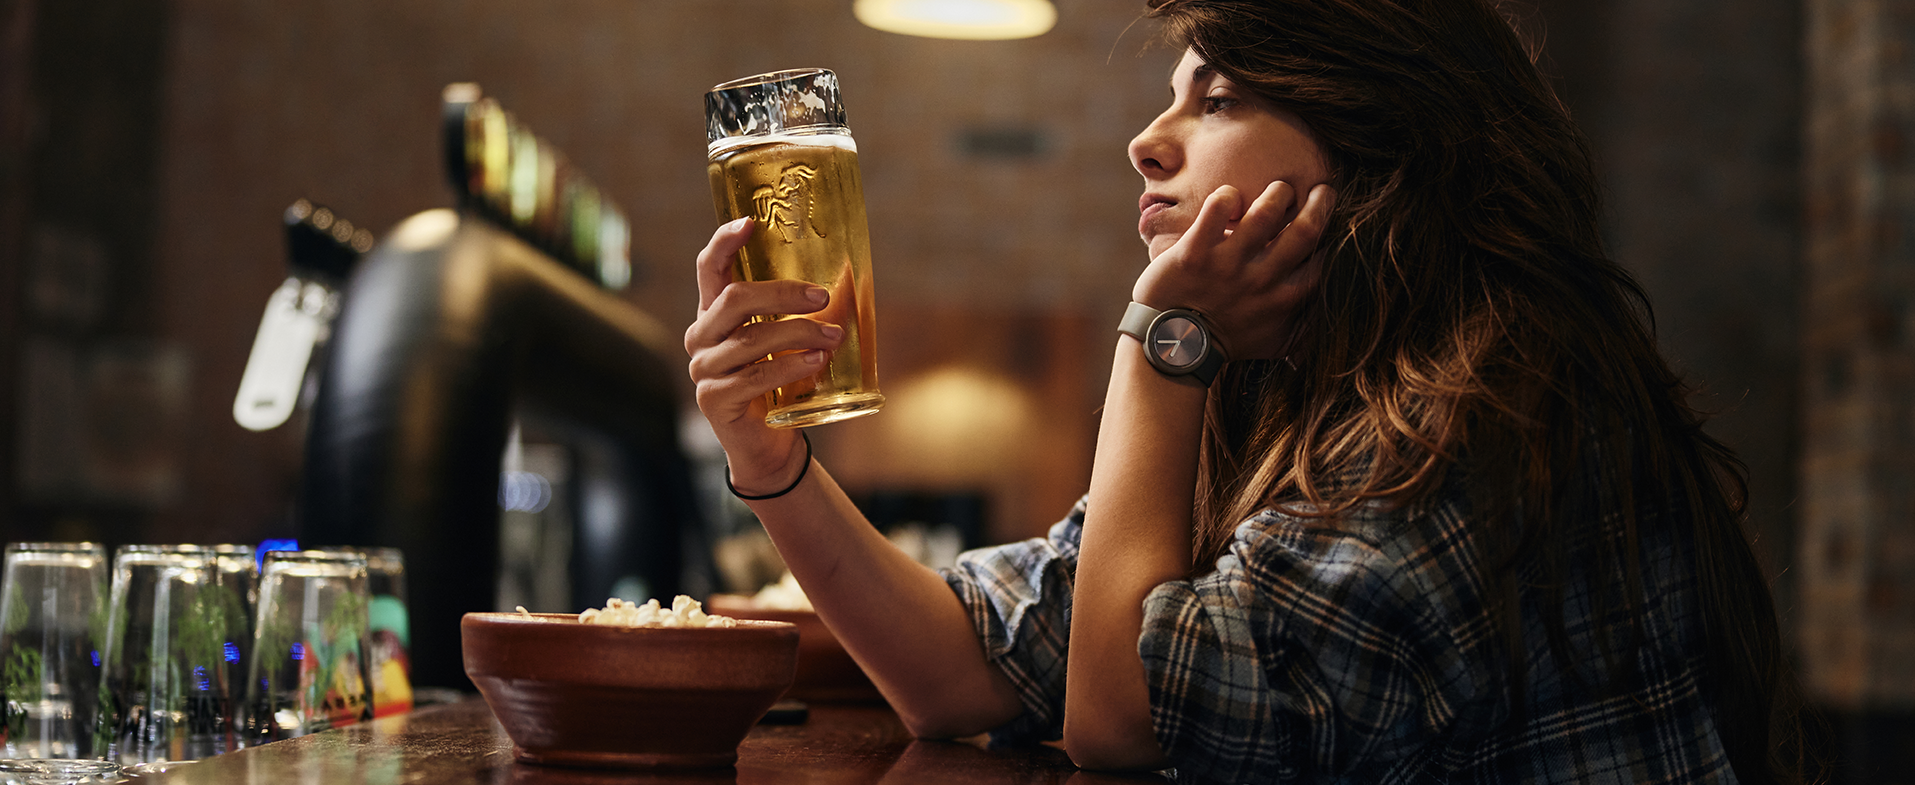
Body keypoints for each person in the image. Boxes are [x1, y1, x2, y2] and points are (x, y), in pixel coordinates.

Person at [683, 0, 1818, 782]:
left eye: (1216, 101)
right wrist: (770, 461)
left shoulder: (1484, 416)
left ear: (1374, 144)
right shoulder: (1291, 387)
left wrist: (1156, 344)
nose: (1145, 141)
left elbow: (1116, 719)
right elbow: (957, 670)